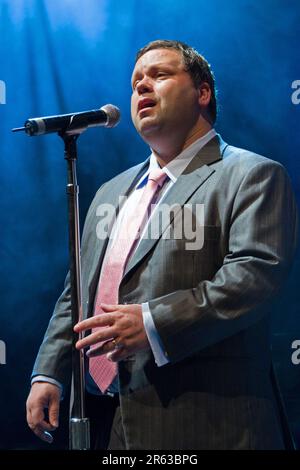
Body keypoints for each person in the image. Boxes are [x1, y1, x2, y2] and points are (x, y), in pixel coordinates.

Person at [26, 39, 298, 450]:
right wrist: (49, 371)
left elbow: (252, 277)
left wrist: (153, 323)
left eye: (160, 75)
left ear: (202, 92)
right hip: (105, 417)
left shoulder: (252, 175)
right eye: (136, 82)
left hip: (206, 421)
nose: (142, 87)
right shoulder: (110, 191)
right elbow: (76, 291)